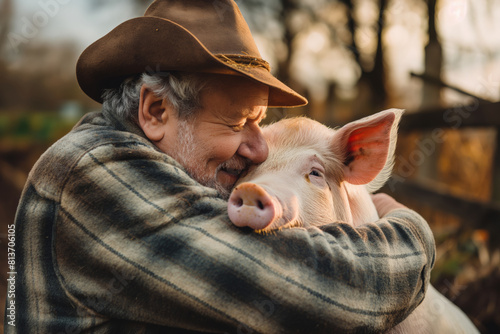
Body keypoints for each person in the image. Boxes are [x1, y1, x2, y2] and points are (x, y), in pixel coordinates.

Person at [5, 0, 435, 333]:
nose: (258, 148)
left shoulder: (146, 167)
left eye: (259, 123)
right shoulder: (91, 176)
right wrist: (407, 228)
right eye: (238, 122)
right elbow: (320, 292)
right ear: (156, 111)